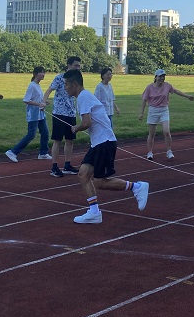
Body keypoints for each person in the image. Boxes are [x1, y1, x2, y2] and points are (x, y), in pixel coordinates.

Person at [62, 69, 149, 224]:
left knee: (100, 181)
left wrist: (76, 128)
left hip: (104, 142)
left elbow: (86, 122)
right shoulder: (84, 96)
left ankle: (136, 187)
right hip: (99, 142)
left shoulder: (83, 97)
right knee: (83, 174)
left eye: (66, 84)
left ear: (75, 84)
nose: (65, 88)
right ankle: (94, 212)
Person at [139, 69, 194, 160]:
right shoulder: (149, 87)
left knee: (166, 131)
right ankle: (150, 152)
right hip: (153, 111)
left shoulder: (167, 85)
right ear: (155, 77)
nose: (162, 78)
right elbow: (144, 101)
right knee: (151, 134)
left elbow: (176, 91)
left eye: (163, 76)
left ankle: (169, 151)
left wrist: (187, 96)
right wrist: (141, 113)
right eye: (160, 76)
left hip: (164, 110)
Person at [44, 56, 82, 177]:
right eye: (76, 65)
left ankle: (67, 165)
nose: (78, 68)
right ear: (69, 65)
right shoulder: (60, 78)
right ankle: (54, 167)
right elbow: (49, 90)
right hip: (59, 113)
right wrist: (43, 102)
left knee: (70, 140)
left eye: (79, 66)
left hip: (71, 113)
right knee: (57, 140)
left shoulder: (77, 80)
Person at [5, 66, 51, 162]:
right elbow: (26, 100)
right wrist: (39, 104)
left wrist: (44, 102)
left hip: (40, 114)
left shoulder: (37, 85)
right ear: (35, 74)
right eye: (41, 72)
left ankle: (43, 153)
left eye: (44, 72)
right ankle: (13, 152)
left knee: (45, 133)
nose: (43, 74)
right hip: (33, 114)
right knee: (31, 134)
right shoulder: (32, 86)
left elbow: (37, 98)